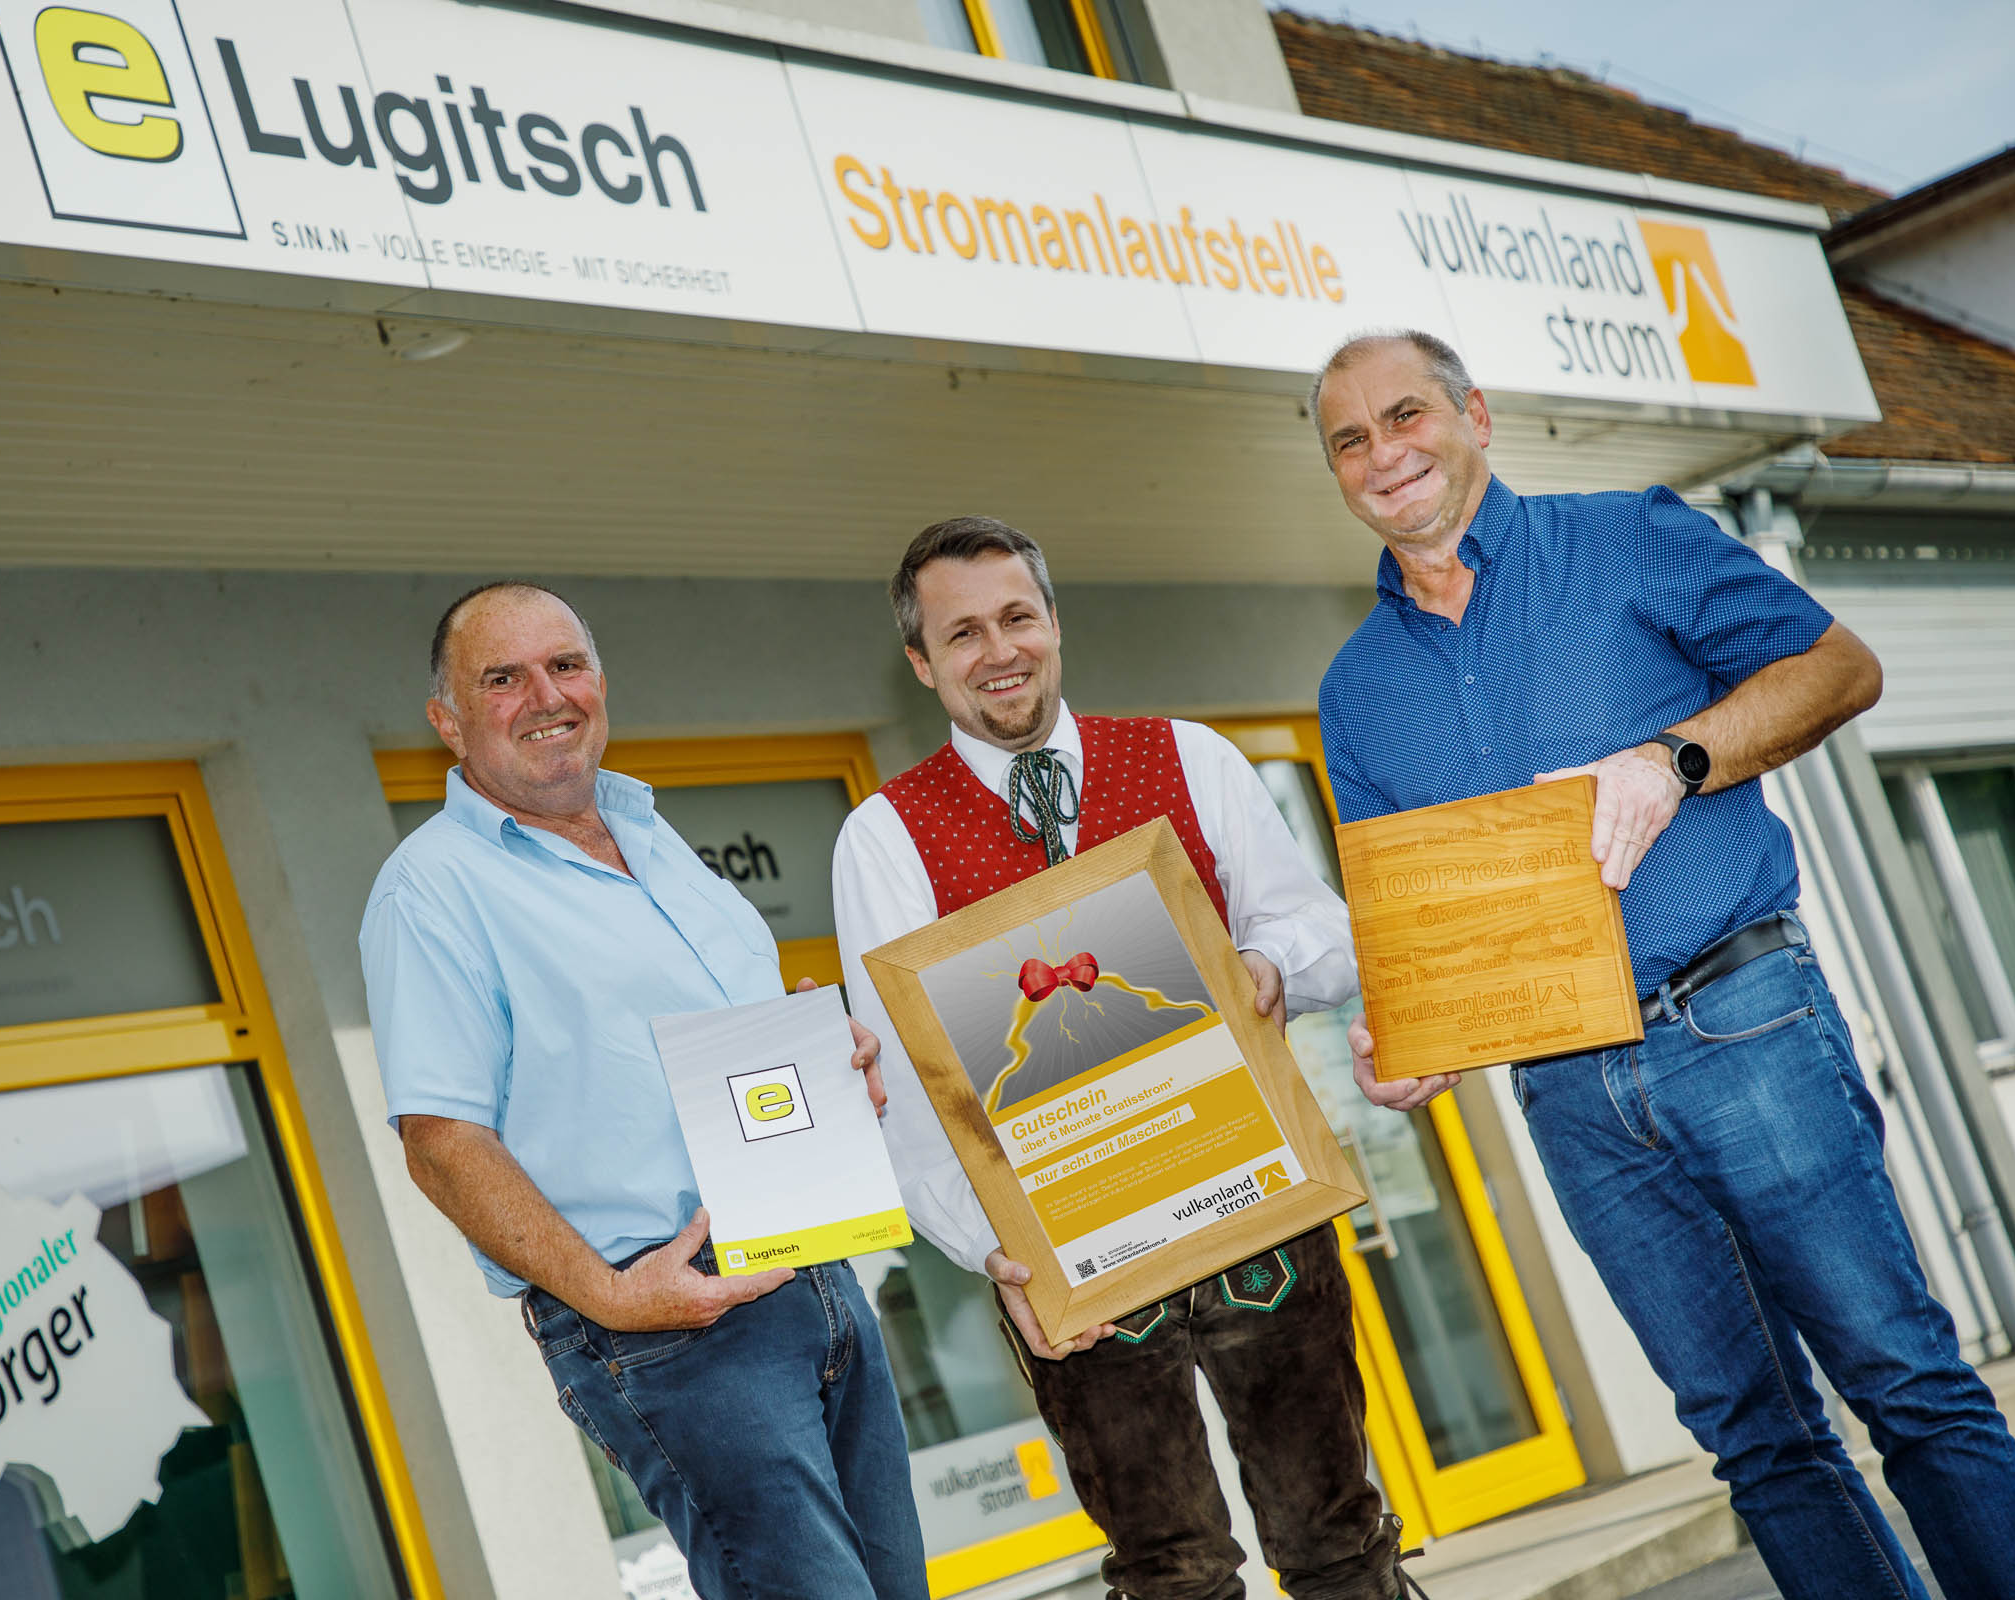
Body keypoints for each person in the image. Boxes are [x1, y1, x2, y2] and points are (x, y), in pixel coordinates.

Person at [1311, 330, 2015, 1600]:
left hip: (1743, 1022)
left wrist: (1669, 761)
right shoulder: (1355, 691)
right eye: (1350, 439)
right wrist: (1407, 1028)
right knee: (1755, 1441)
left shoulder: (1626, 538)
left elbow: (1840, 667)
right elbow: (1414, 913)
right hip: (1570, 1094)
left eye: (1405, 415)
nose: (1383, 453)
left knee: (1903, 1379)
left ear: (1474, 415)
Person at [832, 519, 1417, 1600]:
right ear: (920, 662)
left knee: (1336, 1537)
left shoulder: (1191, 755)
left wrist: (1267, 965)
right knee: (1171, 1572)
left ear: (1055, 622)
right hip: (1073, 1258)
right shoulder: (883, 835)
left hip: (1257, 1208)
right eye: (962, 632)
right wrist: (994, 1255)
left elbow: (1322, 932)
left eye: (1017, 616)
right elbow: (908, 1088)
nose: (998, 649)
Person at [359, 581, 929, 1600]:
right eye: (503, 678)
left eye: (566, 664)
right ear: (448, 721)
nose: (547, 695)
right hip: (671, 1316)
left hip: (814, 1269)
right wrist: (616, 1296)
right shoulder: (430, 888)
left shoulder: (653, 838)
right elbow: (441, 1141)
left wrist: (824, 1055)